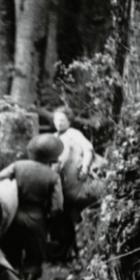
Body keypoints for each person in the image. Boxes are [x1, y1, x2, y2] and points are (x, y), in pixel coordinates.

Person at [0, 134, 64, 280]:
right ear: (52, 156)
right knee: (34, 256)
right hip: (38, 219)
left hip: (13, 215)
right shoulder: (53, 176)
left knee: (11, 255)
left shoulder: (17, 166)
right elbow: (57, 206)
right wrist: (49, 218)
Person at [50, 107, 106, 260]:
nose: (59, 123)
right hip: (63, 184)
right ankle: (69, 250)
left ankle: (86, 249)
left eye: (62, 120)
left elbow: (88, 149)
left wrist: (85, 168)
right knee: (64, 216)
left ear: (68, 121)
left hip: (80, 179)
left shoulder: (74, 134)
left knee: (82, 212)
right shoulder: (53, 137)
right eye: (56, 120)